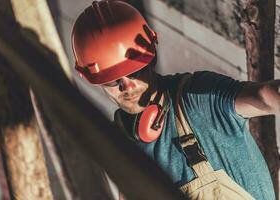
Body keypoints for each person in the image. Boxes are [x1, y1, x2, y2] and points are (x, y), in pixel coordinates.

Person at [71, 1, 280, 199]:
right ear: (94, 81)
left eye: (135, 72)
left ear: (151, 58)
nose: (127, 86)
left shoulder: (197, 99)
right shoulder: (119, 138)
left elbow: (264, 97)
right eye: (113, 80)